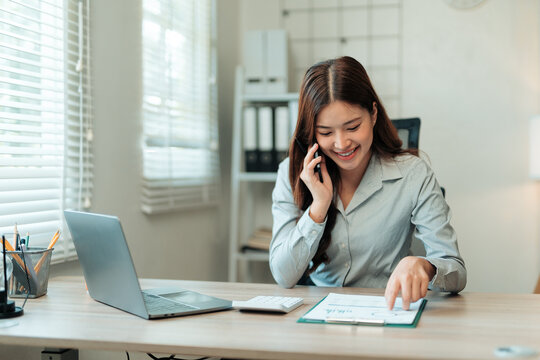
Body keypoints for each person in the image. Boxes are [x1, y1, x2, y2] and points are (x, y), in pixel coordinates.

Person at [270, 56, 466, 310]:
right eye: (326, 132)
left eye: (352, 127)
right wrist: (318, 208)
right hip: (316, 318)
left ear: (373, 114)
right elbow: (283, 276)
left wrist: (425, 266)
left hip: (388, 311)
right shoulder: (292, 173)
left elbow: (456, 271)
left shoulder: (412, 174)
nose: (341, 144)